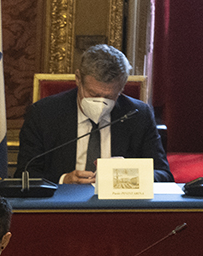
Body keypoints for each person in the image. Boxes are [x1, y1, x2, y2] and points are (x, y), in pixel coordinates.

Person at [16, 43, 173, 184]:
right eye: (93, 94)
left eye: (109, 96)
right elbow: (25, 174)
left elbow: (163, 175)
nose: (101, 102)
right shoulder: (43, 113)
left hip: (118, 209)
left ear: (122, 87)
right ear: (78, 79)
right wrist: (63, 180)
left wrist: (128, 174)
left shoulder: (138, 115)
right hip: (63, 206)